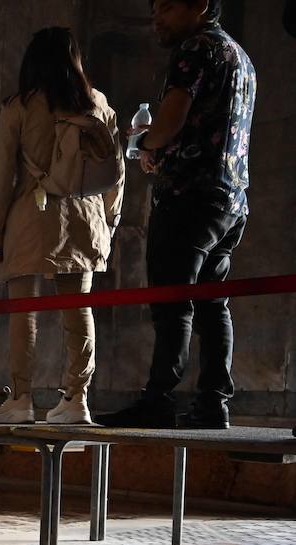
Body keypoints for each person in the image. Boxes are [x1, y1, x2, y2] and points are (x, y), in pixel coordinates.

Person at [100, 0, 255, 429]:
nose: (156, 18)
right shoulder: (239, 56)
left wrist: (147, 144)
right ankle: (213, 403)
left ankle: (158, 400)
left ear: (200, 5)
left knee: (172, 303)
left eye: (167, 7)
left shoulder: (195, 49)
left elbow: (169, 123)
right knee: (212, 302)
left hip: (188, 196)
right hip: (230, 198)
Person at [0, 27, 124, 425]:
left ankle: (21, 398)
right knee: (77, 309)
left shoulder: (21, 107)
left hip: (32, 215)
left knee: (24, 310)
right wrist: (109, 221)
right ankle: (76, 398)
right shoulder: (97, 104)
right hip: (85, 216)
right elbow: (116, 174)